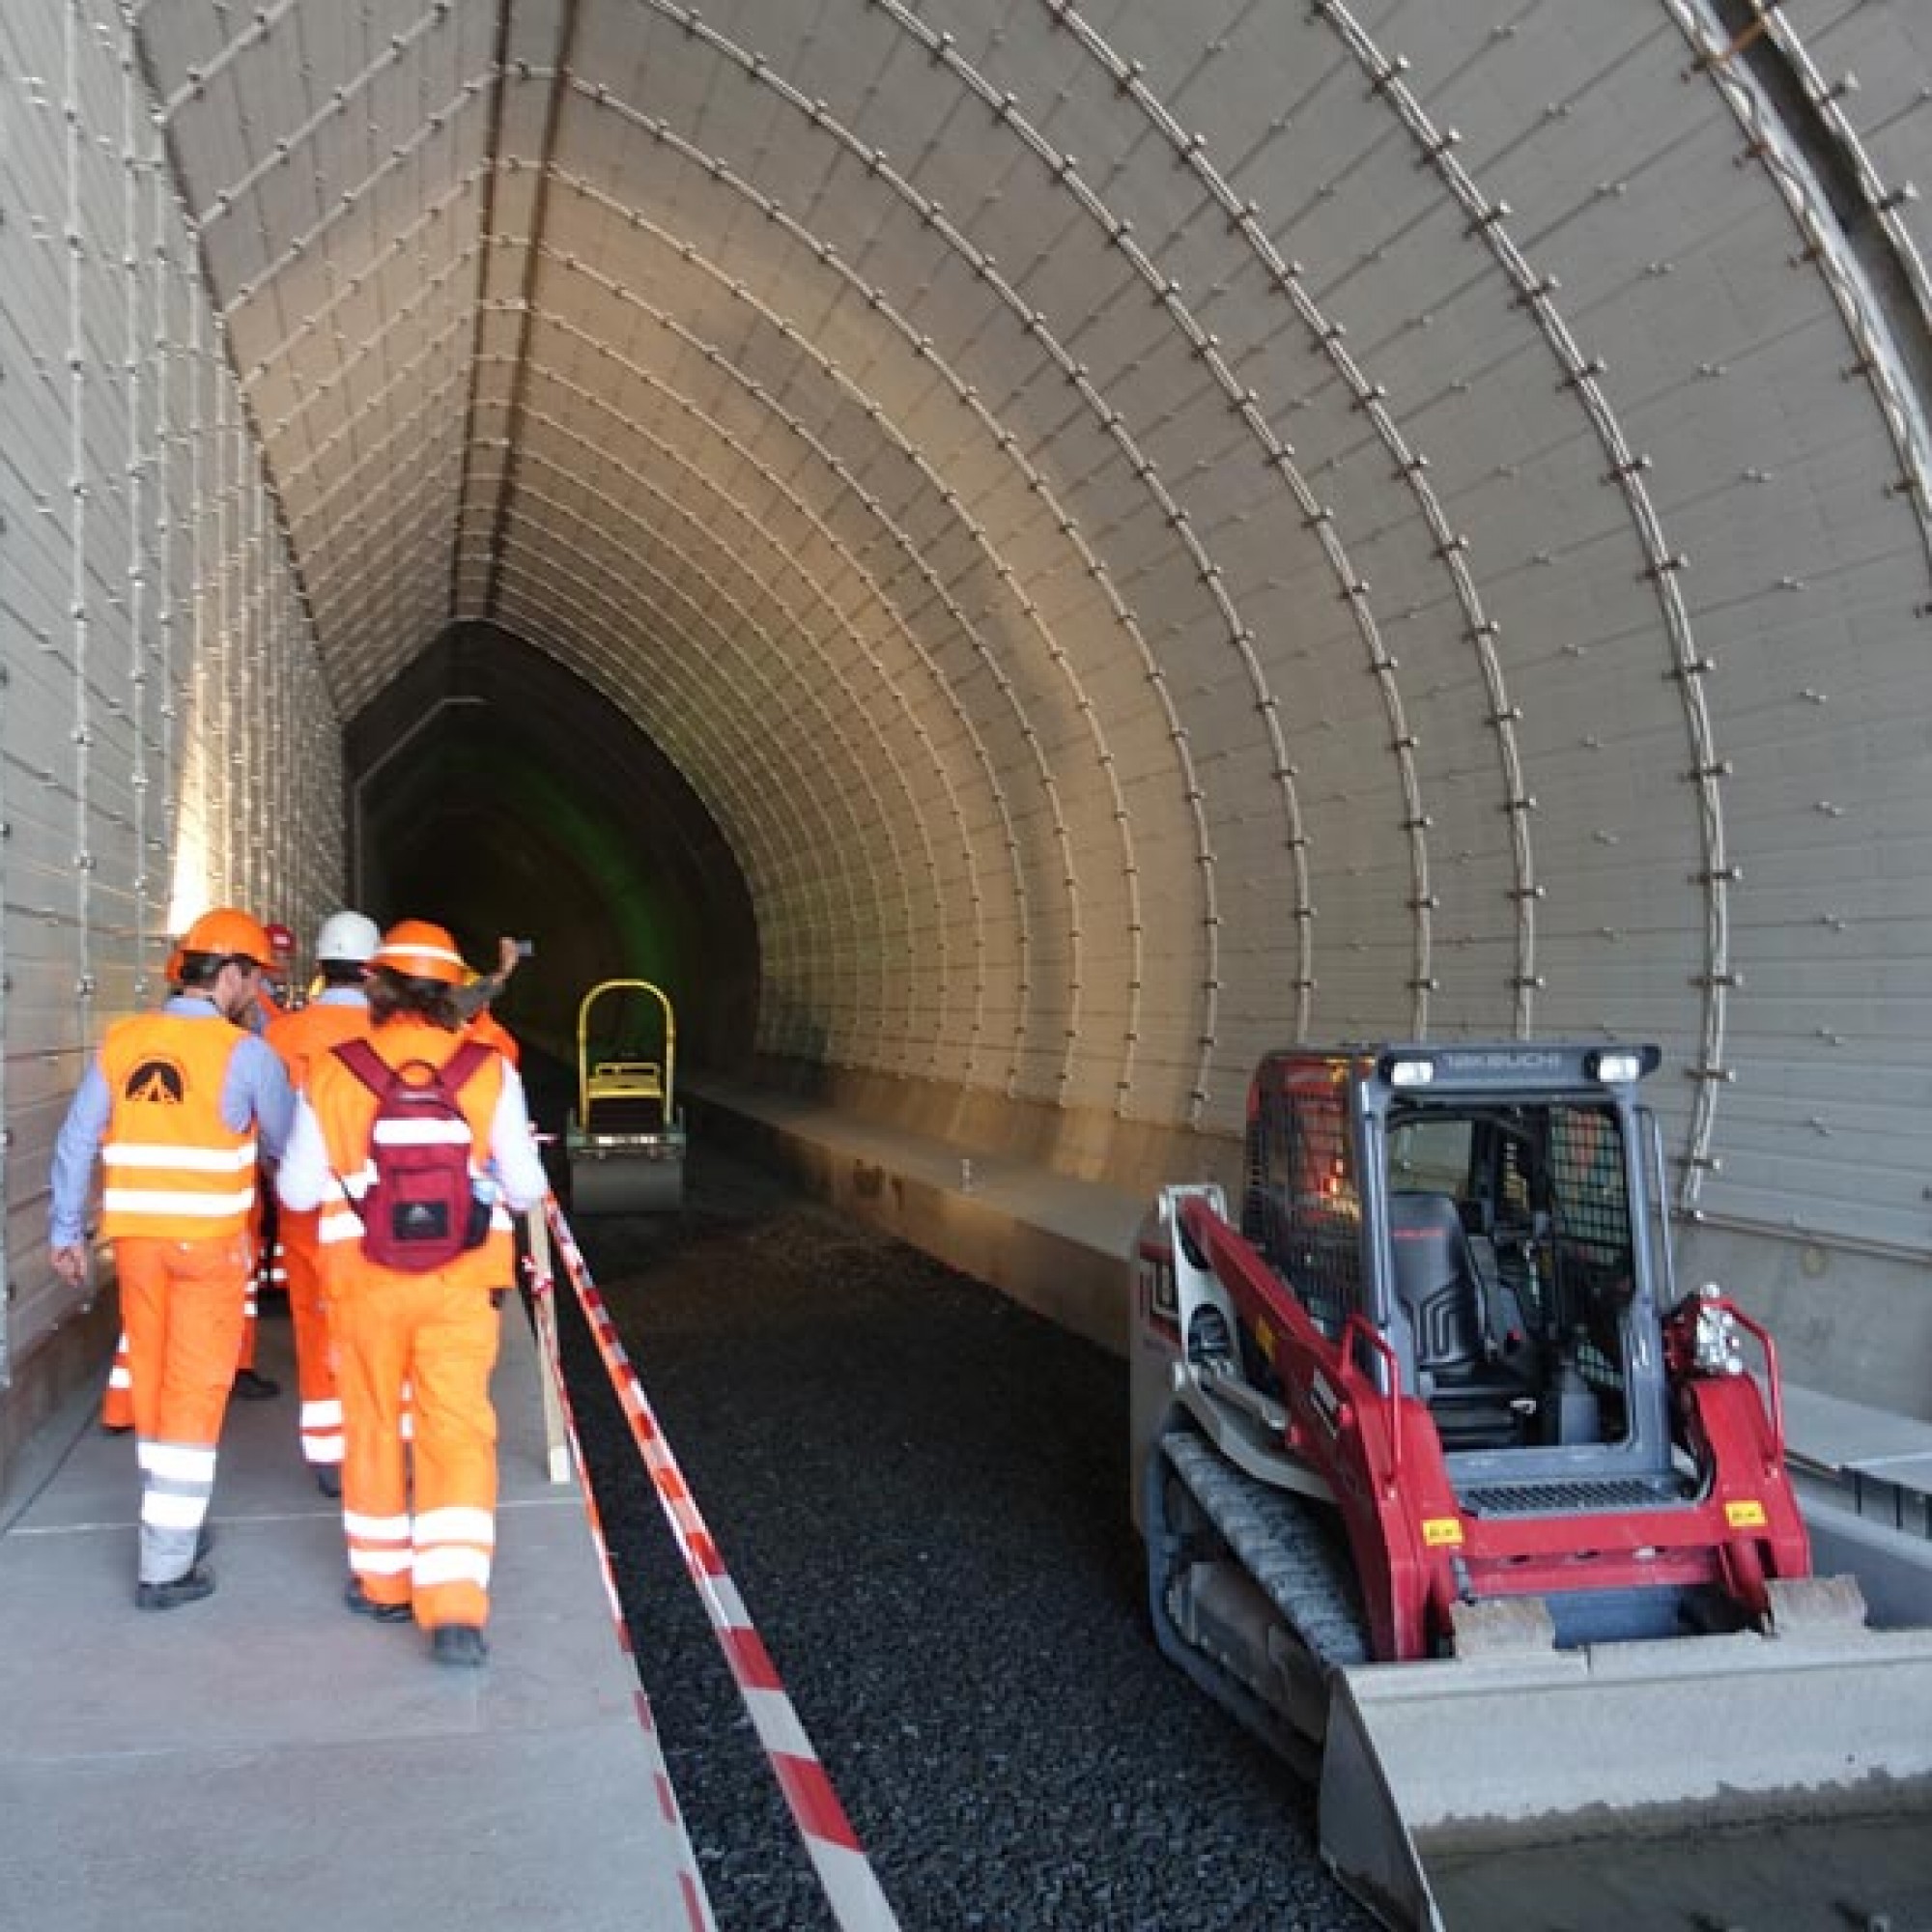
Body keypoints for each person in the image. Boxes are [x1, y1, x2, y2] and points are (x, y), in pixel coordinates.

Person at [277, 919, 547, 1665]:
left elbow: (298, 1191)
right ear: (453, 991)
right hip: (461, 1286)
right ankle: (456, 1606)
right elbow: (524, 1189)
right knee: (456, 1428)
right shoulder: (490, 1071)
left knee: (370, 1423)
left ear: (377, 984)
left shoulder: (333, 1070)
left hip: (365, 1285)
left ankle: (384, 1584)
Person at [50, 907, 295, 1609]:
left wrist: (68, 1232)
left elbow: (75, 1140)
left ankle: (171, 1519)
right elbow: (284, 1147)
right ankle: (165, 1566)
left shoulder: (123, 1041)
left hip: (136, 1243)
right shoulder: (245, 1054)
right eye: (254, 977)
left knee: (154, 1378)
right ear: (232, 974)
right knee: (194, 1392)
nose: (256, 992)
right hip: (209, 1249)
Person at [263, 910, 383, 1495]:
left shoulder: (283, 1033)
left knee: (314, 1324)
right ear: (373, 969)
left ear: (319, 966)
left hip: (304, 1204)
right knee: (374, 1327)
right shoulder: (387, 1034)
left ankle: (330, 1455)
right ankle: (378, 1442)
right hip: (374, 1207)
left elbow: (266, 1122)